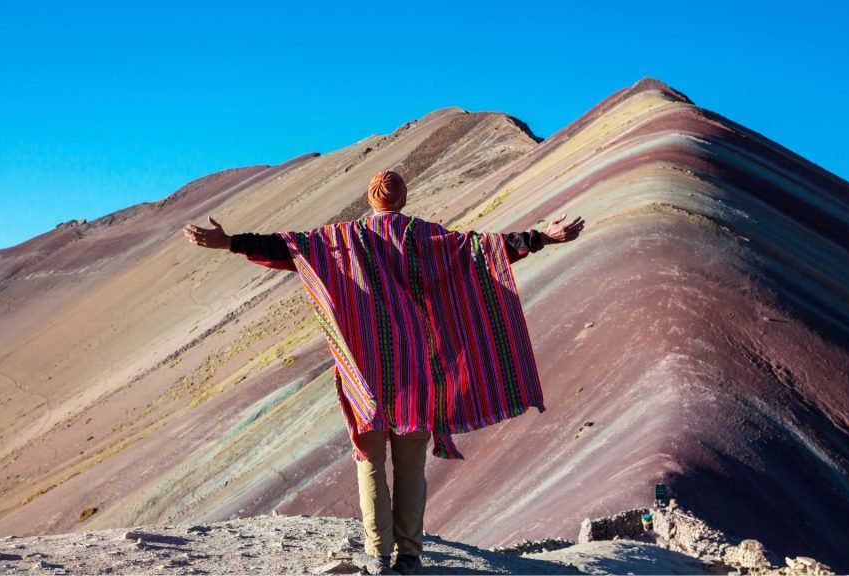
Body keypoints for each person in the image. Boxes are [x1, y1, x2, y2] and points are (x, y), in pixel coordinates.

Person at [184, 171, 584, 574]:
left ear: (370, 200)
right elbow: (484, 250)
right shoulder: (428, 239)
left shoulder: (340, 240)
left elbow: (285, 248)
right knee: (411, 468)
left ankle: (377, 555)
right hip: (420, 378)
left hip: (367, 377)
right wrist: (542, 237)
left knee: (370, 463)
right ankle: (409, 555)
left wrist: (230, 242)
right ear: (403, 199)